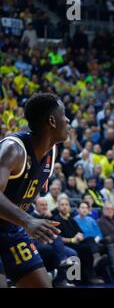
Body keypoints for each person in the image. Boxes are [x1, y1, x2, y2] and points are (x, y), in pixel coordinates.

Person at [0, 93, 68, 288]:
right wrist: (29, 220)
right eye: (64, 115)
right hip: (17, 222)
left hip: (10, 229)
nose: (68, 120)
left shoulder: (51, 152)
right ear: (52, 121)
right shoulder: (13, 149)